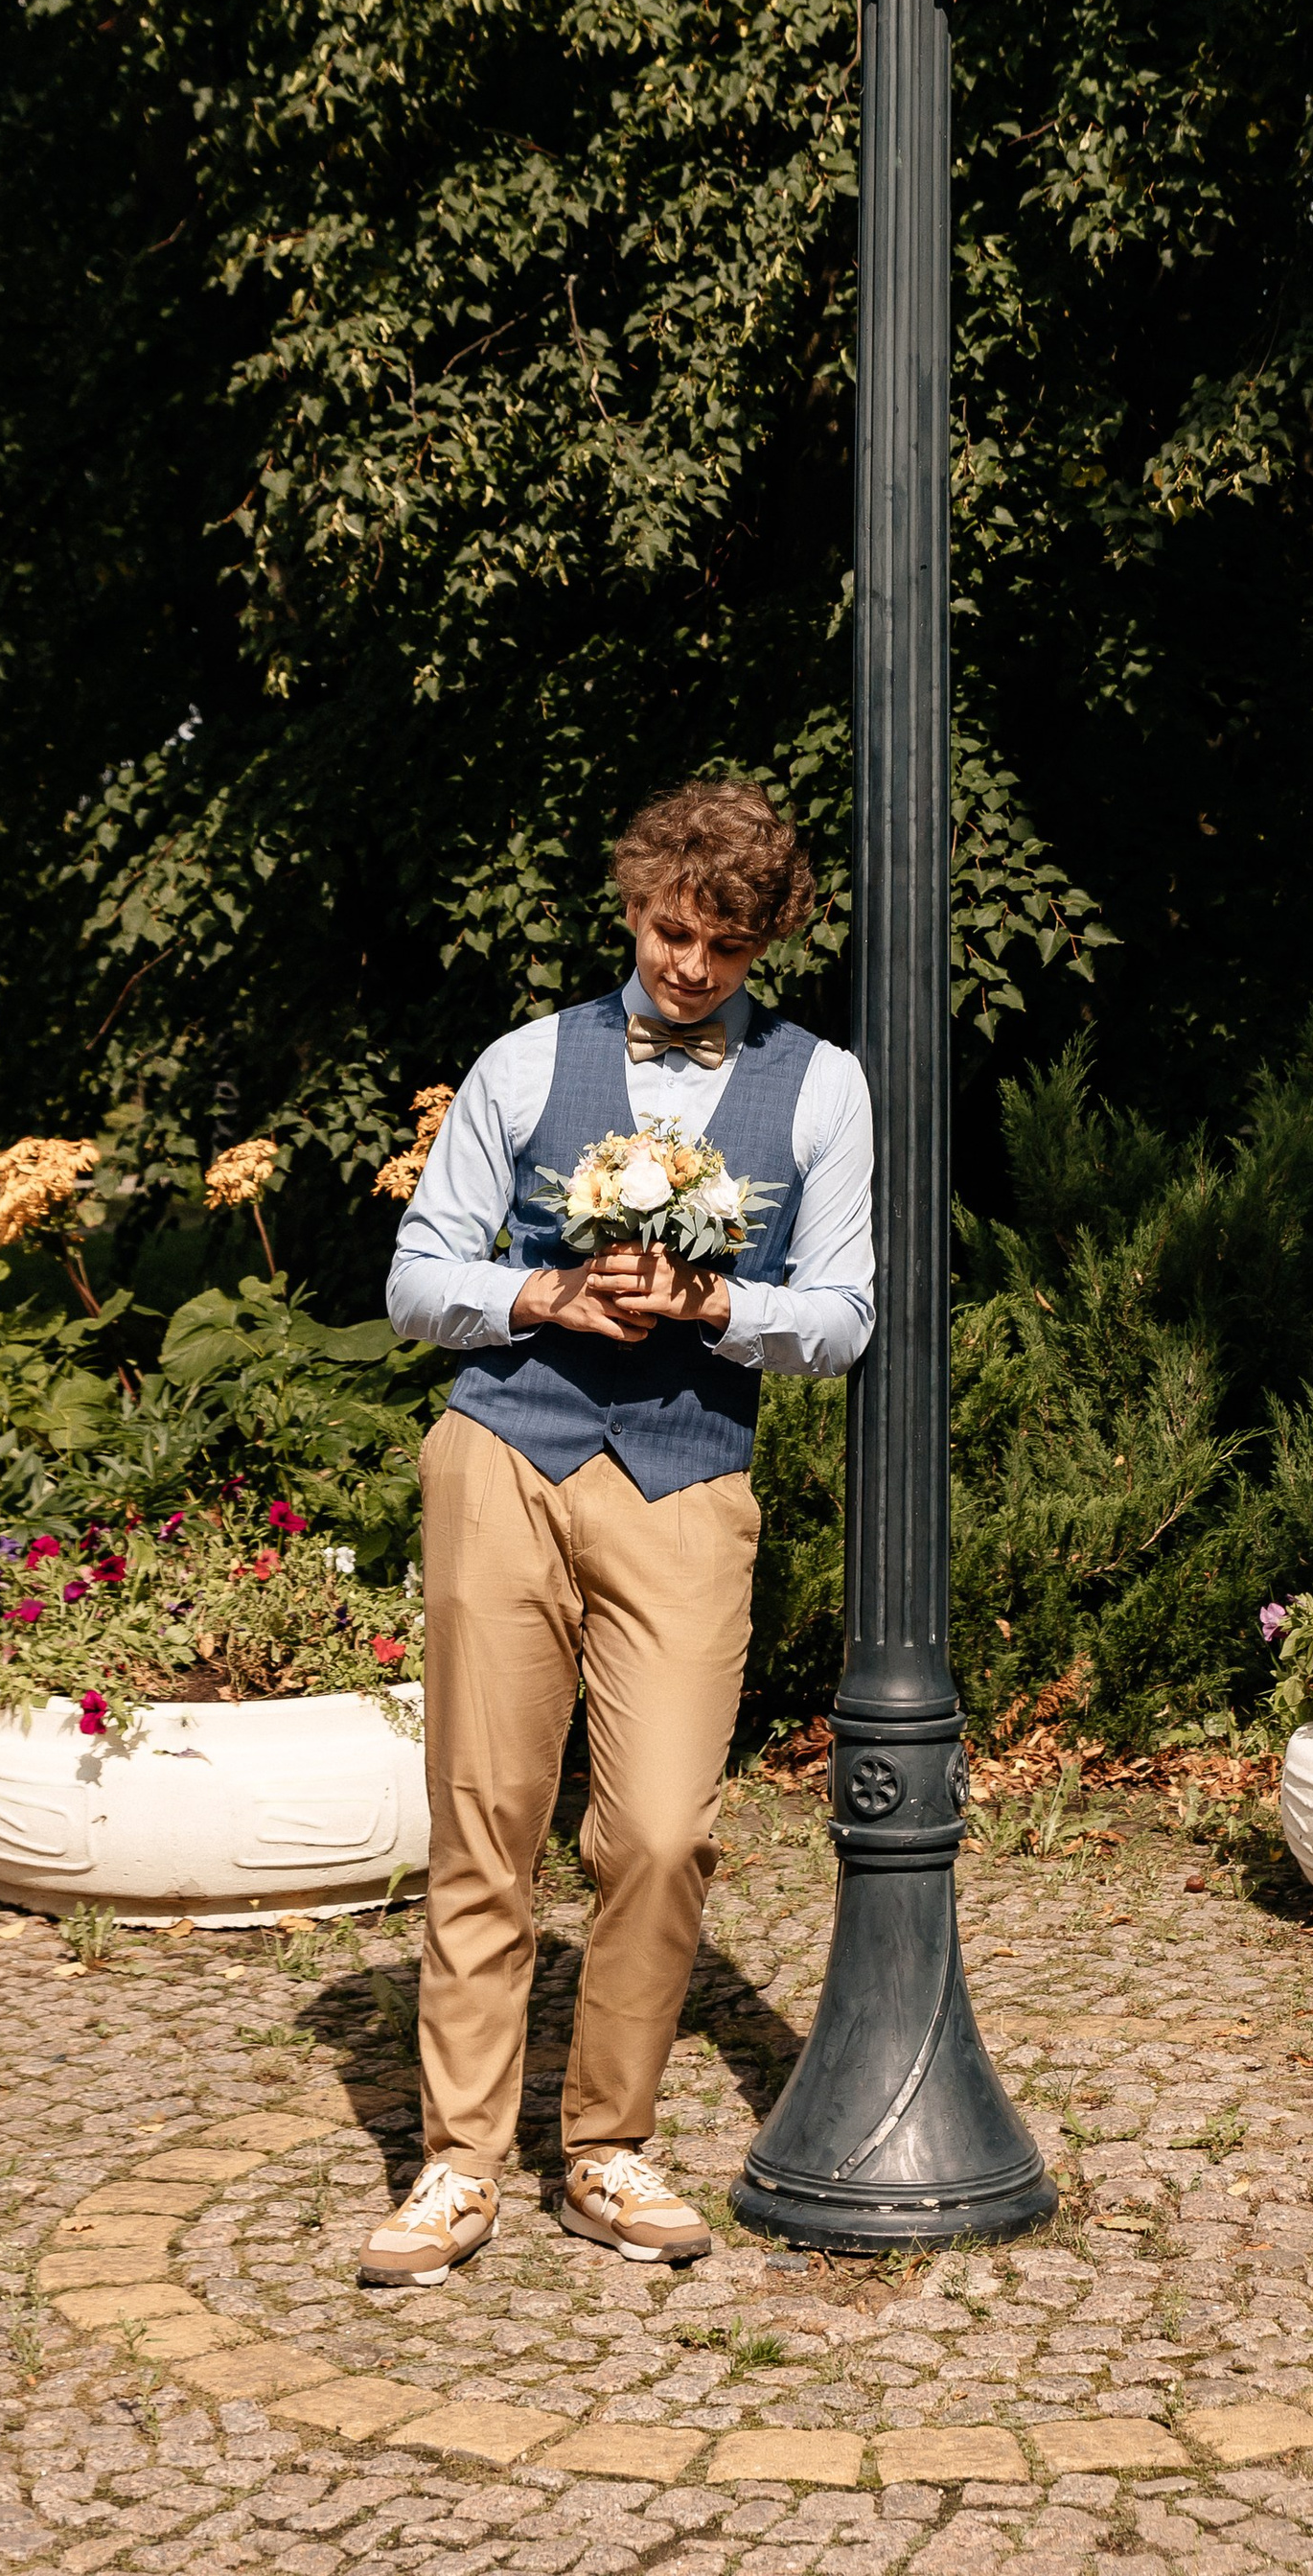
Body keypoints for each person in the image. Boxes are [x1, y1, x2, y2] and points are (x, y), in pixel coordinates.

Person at [356, 775, 871, 2285]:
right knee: (485, 1817)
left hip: (692, 1474)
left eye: (722, 945)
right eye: (667, 932)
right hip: (502, 1455)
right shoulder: (526, 1063)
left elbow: (842, 1317)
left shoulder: (822, 1088)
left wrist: (715, 1303)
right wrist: (544, 1294)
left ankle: (608, 2146)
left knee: (659, 1831)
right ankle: (454, 2166)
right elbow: (413, 1279)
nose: (689, 968)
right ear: (632, 910)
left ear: (763, 939)